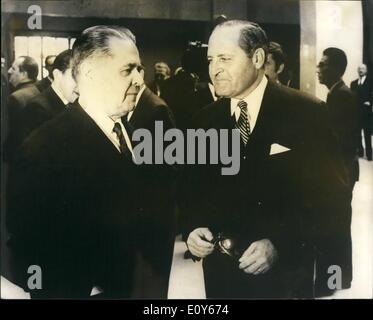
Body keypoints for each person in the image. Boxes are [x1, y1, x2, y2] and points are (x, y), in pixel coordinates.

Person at [182, 20, 349, 298]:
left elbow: (333, 198)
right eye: (210, 59)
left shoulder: (307, 113)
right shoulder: (204, 120)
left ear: (257, 58)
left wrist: (281, 243)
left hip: (286, 278)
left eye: (225, 58)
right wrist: (193, 229)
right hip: (222, 278)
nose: (214, 69)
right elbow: (192, 190)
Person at [6, 25, 146, 298]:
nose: (140, 79)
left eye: (140, 69)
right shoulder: (44, 148)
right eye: (127, 70)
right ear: (91, 75)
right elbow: (26, 243)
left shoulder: (126, 131)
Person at [123, 70, 177, 298]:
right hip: (142, 211)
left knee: (152, 283)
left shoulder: (155, 108)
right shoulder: (134, 103)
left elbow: (167, 166)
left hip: (154, 211)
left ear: (141, 74)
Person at [317, 47, 359, 293]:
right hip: (341, 173)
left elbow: (341, 143)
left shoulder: (341, 96)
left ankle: (334, 281)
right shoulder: (338, 94)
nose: (318, 69)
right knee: (339, 225)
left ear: (336, 68)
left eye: (323, 65)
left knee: (336, 226)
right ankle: (341, 280)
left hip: (340, 174)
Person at [10, 49, 78, 156]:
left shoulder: (73, 104)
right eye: (75, 77)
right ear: (57, 75)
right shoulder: (37, 109)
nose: (80, 85)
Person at [4, 56, 40, 160]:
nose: (9, 71)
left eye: (13, 68)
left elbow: (14, 135)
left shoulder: (16, 97)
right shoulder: (37, 90)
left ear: (24, 74)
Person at [350, 63, 372, 161]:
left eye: (362, 68)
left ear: (366, 70)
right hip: (356, 111)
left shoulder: (371, 81)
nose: (360, 70)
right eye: (359, 68)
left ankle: (369, 154)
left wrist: (370, 102)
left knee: (367, 134)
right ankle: (360, 152)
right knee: (357, 133)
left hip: (366, 112)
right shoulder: (353, 83)